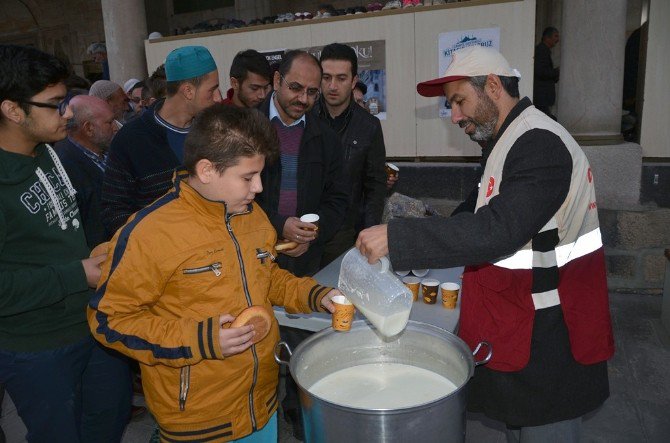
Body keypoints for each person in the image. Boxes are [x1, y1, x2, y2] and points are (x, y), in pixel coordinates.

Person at [357, 45, 614, 442]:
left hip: (552, 334)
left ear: (493, 86)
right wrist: (429, 226)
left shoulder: (539, 143)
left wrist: (398, 237)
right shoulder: (507, 138)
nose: (455, 115)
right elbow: (481, 210)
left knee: (546, 428)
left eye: (459, 101)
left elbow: (500, 228)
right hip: (520, 317)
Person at [88, 104, 339, 441]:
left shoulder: (252, 217)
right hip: (197, 422)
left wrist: (316, 295)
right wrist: (200, 340)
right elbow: (109, 320)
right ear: (206, 170)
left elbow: (267, 276)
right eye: (248, 177)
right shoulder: (150, 233)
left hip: (262, 406)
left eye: (260, 175)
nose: (259, 188)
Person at [0, 44, 131, 443]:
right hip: (37, 349)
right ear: (13, 110)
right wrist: (76, 274)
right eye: (56, 104)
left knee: (111, 418)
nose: (68, 113)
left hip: (93, 322)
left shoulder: (49, 153)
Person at [100, 45, 222, 237]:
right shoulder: (130, 140)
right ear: (188, 91)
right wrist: (159, 241)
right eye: (212, 90)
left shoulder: (216, 131)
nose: (219, 98)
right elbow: (114, 212)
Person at [256, 50, 349, 278]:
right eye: (296, 88)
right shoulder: (245, 128)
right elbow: (230, 198)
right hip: (253, 253)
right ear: (277, 81)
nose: (303, 99)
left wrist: (311, 233)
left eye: (312, 92)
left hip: (306, 260)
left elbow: (337, 200)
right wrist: (278, 224)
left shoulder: (327, 138)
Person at [316, 43, 387, 266]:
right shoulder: (305, 119)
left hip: (346, 232)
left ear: (354, 81)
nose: (332, 86)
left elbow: (375, 185)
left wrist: (369, 232)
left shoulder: (369, 126)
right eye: (326, 77)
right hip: (306, 230)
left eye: (341, 78)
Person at [54, 95, 118, 249]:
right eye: (109, 122)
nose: (115, 127)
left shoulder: (107, 150)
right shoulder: (64, 166)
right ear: (89, 128)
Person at [533, 26, 560, 120]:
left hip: (543, 98)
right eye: (555, 36)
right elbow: (540, 71)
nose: (557, 40)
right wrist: (556, 72)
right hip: (542, 97)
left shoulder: (544, 50)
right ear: (547, 37)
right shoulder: (541, 50)